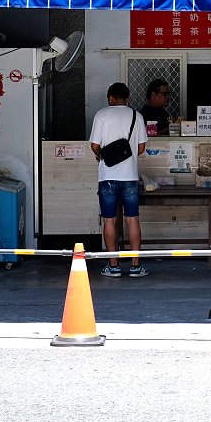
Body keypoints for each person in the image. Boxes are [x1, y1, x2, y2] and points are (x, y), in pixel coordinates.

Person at [90, 82, 150, 278]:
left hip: (107, 177)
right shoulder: (136, 115)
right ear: (127, 98)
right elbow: (141, 149)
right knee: (132, 219)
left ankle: (113, 265)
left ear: (110, 98)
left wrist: (102, 155)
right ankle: (135, 265)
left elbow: (95, 145)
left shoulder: (101, 114)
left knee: (109, 220)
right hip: (130, 176)